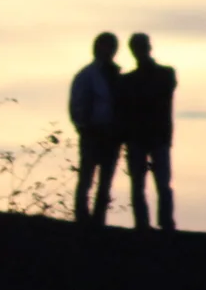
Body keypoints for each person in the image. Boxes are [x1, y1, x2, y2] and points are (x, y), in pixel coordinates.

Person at [117, 31, 178, 232]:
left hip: (152, 136)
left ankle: (160, 223)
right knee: (145, 184)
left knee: (157, 183)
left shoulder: (160, 75)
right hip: (143, 136)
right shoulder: (162, 75)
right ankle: (149, 223)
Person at [67, 31, 122, 225]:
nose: (110, 50)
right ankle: (82, 217)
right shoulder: (87, 75)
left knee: (105, 180)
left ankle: (99, 218)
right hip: (92, 132)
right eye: (106, 46)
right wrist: (83, 127)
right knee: (87, 177)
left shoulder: (116, 74)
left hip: (112, 134)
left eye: (112, 47)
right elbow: (77, 104)